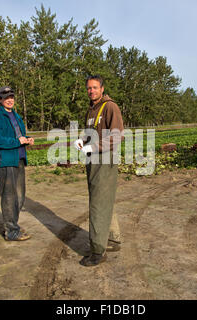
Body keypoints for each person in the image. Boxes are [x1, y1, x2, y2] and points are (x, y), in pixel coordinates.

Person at [74, 75, 124, 267]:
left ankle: (97, 251)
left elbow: (117, 135)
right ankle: (112, 239)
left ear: (102, 88)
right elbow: (90, 133)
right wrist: (82, 141)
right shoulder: (92, 109)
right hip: (93, 160)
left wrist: (94, 148)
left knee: (98, 204)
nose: (91, 91)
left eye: (95, 88)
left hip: (104, 160)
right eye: (88, 88)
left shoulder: (110, 107)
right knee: (104, 200)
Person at [0, 86, 34, 241]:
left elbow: (18, 135)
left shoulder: (16, 115)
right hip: (6, 161)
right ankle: (11, 231)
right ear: (0, 100)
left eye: (11, 97)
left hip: (19, 159)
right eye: (6, 97)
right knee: (9, 197)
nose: (9, 100)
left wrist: (27, 139)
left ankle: (12, 224)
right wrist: (16, 142)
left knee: (20, 197)